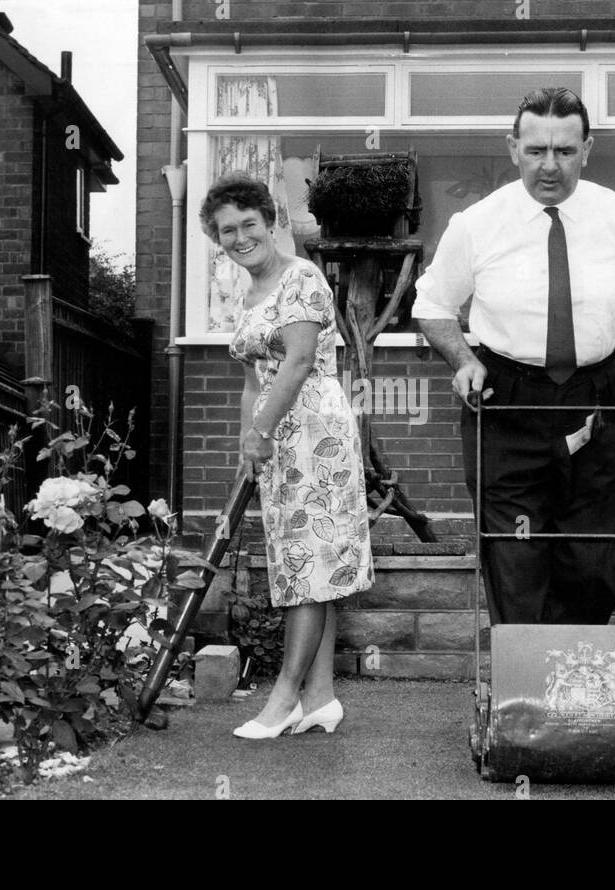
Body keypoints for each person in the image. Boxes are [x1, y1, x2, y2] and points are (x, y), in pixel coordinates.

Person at [412, 87, 615, 626]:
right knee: (516, 557)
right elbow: (432, 303)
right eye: (536, 150)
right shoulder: (477, 224)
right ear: (513, 148)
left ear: (586, 150)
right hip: (507, 402)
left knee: (596, 557)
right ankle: (528, 693)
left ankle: (573, 673)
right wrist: (463, 360)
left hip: (595, 399)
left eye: (564, 151)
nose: (550, 165)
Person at [201, 172, 374, 739]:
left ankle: (284, 699)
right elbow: (256, 378)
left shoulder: (301, 279)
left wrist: (264, 430)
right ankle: (321, 697)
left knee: (309, 564)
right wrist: (246, 440)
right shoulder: (245, 294)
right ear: (217, 238)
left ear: (271, 223)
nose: (240, 236)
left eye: (249, 224)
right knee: (303, 565)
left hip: (314, 433)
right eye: (227, 230)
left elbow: (298, 361)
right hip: (275, 437)